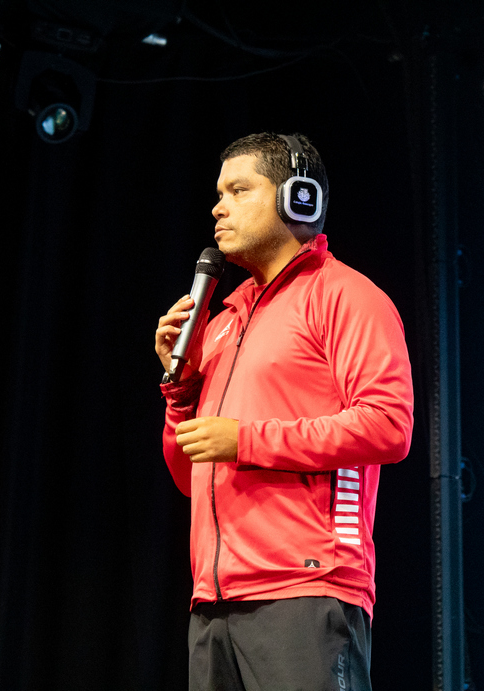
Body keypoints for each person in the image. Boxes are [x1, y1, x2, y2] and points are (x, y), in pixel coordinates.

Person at [154, 132, 414, 691]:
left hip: (308, 590)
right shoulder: (220, 321)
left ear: (299, 199)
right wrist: (180, 390)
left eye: (238, 190)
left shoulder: (346, 295)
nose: (218, 207)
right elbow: (187, 477)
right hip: (213, 602)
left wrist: (245, 440)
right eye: (218, 194)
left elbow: (389, 425)